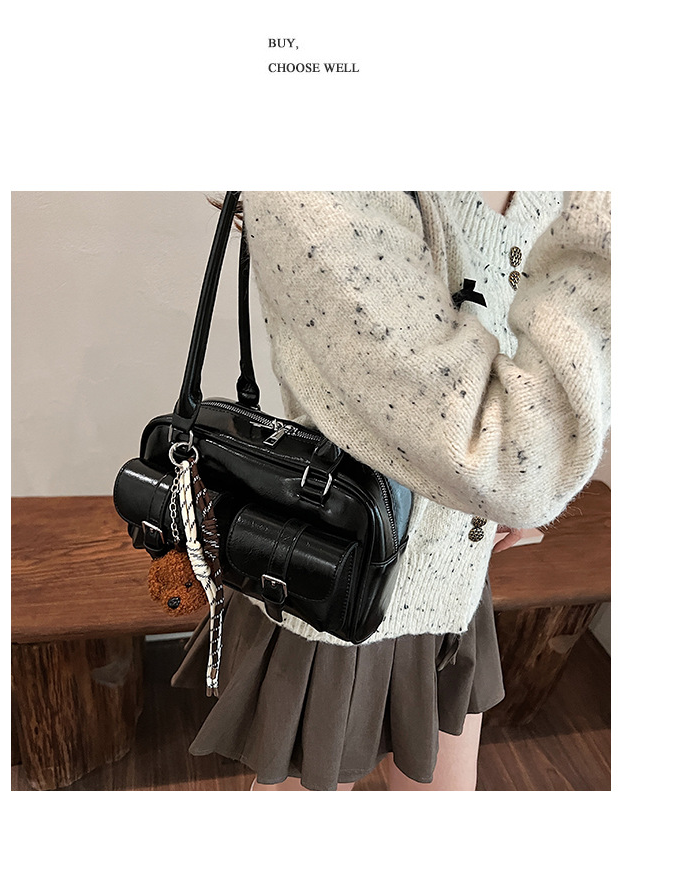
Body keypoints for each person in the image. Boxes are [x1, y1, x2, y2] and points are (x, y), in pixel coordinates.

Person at [171, 190, 611, 791]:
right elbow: (500, 451)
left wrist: (519, 484)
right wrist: (521, 474)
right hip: (338, 579)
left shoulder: (558, 185)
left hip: (455, 581)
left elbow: (523, 375)